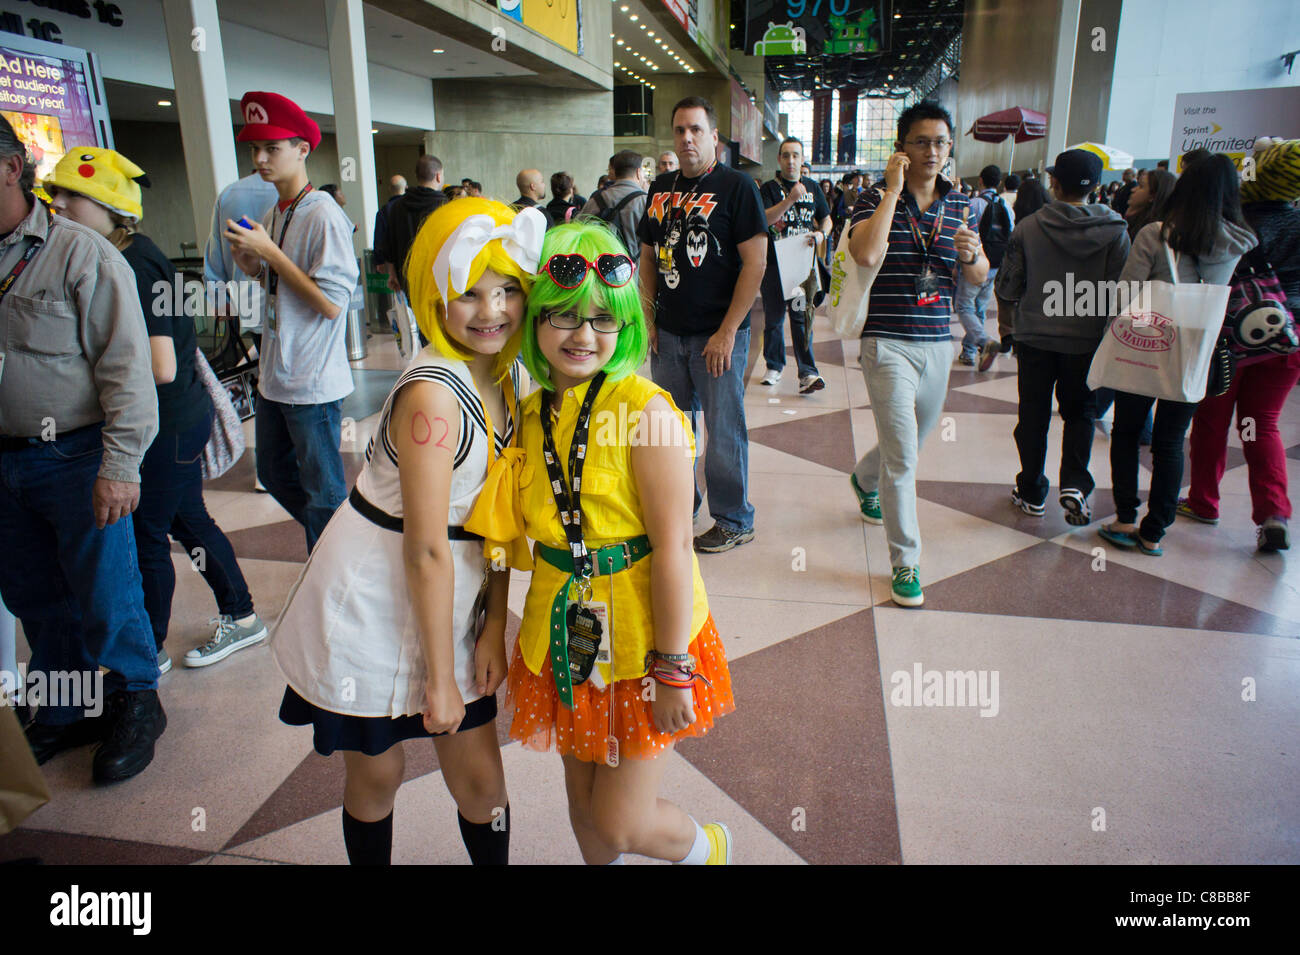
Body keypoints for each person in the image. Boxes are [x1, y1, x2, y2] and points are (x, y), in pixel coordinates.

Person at [271, 199, 544, 865]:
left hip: (453, 587)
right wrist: (440, 677)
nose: (493, 311)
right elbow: (424, 547)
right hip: (376, 596)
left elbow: (497, 518)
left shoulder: (504, 376)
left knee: (482, 782)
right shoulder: (434, 396)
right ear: (434, 295)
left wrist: (488, 626)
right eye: (469, 293)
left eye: (508, 289)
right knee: (377, 774)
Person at [500, 219, 735, 864]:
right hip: (562, 630)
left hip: (641, 636)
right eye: (564, 317)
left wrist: (672, 669)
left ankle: (707, 849)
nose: (583, 336)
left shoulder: (649, 410)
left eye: (604, 319)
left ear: (627, 321)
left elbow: (674, 548)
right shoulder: (525, 412)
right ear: (535, 321)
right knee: (584, 812)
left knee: (621, 821)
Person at [44, 148, 268, 673]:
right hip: (170, 419)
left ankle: (148, 650)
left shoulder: (136, 261)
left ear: (109, 205)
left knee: (149, 532)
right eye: (54, 194)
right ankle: (242, 617)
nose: (57, 205)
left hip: (168, 422)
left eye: (70, 195)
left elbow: (161, 365)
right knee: (188, 521)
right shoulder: (118, 254)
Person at [0, 115, 166, 783]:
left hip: (73, 456)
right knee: (34, 595)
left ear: (11, 168)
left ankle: (135, 700)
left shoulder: (80, 253)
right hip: (5, 462)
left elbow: (128, 367)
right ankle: (66, 709)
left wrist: (121, 465)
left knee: (106, 588)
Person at [846, 100, 988, 607]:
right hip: (885, 343)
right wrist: (890, 191)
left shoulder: (960, 205)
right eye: (921, 142)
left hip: (937, 343)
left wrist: (973, 256)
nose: (932, 151)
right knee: (904, 457)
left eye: (941, 143)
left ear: (950, 149)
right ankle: (906, 562)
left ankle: (864, 479)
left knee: (909, 443)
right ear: (902, 148)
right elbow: (865, 254)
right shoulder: (872, 201)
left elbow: (975, 276)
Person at [1101, 154, 1257, 556]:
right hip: (1194, 352)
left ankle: (1124, 517)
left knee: (1128, 430)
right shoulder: (1237, 242)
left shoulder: (1155, 234)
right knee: (1170, 442)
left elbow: (1124, 297)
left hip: (1146, 345)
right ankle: (1155, 531)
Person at [224, 91, 359, 553]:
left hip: (312, 379)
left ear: (303, 149)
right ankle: (339, 550)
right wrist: (253, 263)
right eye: (254, 149)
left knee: (323, 492)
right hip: (275, 374)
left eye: (272, 148)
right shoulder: (274, 212)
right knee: (274, 473)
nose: (260, 159)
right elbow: (280, 284)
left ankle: (333, 566)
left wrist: (270, 255)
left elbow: (331, 304)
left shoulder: (323, 213)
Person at [637, 96, 768, 554]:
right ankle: (679, 503)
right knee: (670, 429)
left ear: (715, 137)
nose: (686, 138)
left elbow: (755, 264)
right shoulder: (659, 189)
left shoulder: (737, 187)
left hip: (717, 335)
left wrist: (728, 331)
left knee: (723, 428)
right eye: (679, 130)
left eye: (695, 129)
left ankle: (734, 518)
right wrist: (648, 317)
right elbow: (648, 258)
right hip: (668, 334)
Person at [993, 149, 1130, 526]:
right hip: (1088, 342)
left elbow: (1007, 285)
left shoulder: (1029, 227)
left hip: (1035, 337)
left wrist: (1009, 323)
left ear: (1054, 182)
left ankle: (1032, 490)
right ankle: (1075, 484)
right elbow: (1122, 292)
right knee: (1081, 413)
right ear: (1097, 187)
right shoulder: (1117, 232)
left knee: (1033, 416)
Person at [1182, 138, 1300, 551]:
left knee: (1212, 420)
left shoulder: (1232, 223)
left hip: (1229, 339)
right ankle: (1273, 512)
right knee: (1261, 424)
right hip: (1287, 339)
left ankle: (1204, 501)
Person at [758, 136, 830, 393]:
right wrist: (789, 200)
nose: (791, 160)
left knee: (801, 318)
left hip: (802, 267)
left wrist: (822, 234)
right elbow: (763, 219)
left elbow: (826, 218)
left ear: (802, 159)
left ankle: (807, 373)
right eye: (786, 155)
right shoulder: (767, 189)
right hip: (775, 266)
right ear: (779, 159)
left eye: (795, 155)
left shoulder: (813, 187)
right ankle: (774, 365)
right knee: (774, 319)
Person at [204, 167, 276, 336]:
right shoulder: (292, 193)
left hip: (249, 306)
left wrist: (219, 300)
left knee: (263, 360)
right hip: (289, 307)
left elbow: (215, 256)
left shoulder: (228, 195)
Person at [956, 164, 1013, 366]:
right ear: (998, 183)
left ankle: (979, 345)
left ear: (980, 180)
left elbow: (963, 234)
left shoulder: (973, 204)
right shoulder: (1005, 206)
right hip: (997, 264)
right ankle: (970, 351)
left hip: (975, 264)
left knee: (963, 306)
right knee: (979, 308)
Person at [380, 153, 447, 294]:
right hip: (438, 280)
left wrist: (391, 273)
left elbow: (389, 244)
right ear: (438, 176)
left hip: (407, 280)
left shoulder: (398, 206)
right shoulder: (444, 206)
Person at [579, 149, 647, 256]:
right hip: (634, 271)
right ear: (638, 172)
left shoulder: (595, 201)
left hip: (599, 270)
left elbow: (578, 234)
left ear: (615, 172)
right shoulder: (646, 202)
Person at [1124, 168, 1176, 240]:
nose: (1133, 190)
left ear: (1153, 196)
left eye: (1141, 186)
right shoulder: (1133, 220)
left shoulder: (1151, 232)